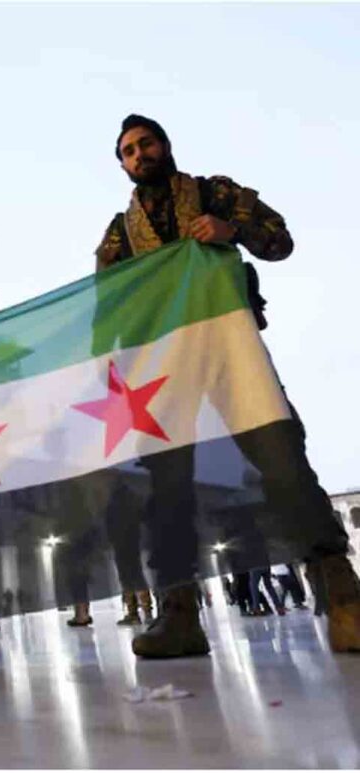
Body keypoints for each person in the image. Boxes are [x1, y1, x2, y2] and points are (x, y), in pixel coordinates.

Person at [94, 114, 360, 658]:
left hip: (229, 346)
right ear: (121, 165)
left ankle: (343, 598)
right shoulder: (120, 234)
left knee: (282, 462)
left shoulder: (216, 194)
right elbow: (108, 308)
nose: (139, 155)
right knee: (166, 487)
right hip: (164, 365)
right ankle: (178, 614)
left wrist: (231, 231)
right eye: (128, 151)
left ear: (165, 145)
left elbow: (279, 241)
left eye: (146, 144)